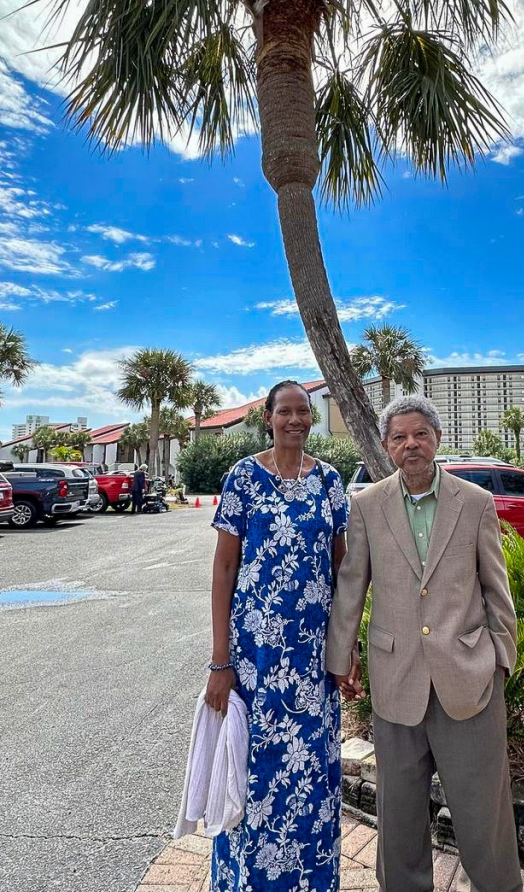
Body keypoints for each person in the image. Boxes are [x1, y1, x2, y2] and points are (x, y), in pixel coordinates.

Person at [327, 395, 522, 892]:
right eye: (399, 437)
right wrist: (341, 656)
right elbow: (352, 585)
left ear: (436, 439)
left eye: (419, 434)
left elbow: (496, 588)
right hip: (397, 683)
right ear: (387, 446)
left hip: (470, 680)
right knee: (399, 816)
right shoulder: (367, 505)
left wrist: (501, 657)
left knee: (485, 815)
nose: (410, 444)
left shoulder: (474, 502)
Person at [206, 380, 349, 892]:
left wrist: (346, 648)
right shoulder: (243, 477)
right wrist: (220, 662)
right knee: (251, 769)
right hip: (254, 661)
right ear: (267, 417)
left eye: (303, 411)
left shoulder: (330, 482)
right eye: (285, 411)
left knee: (311, 775)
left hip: (312, 663)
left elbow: (342, 570)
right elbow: (225, 569)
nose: (296, 420)